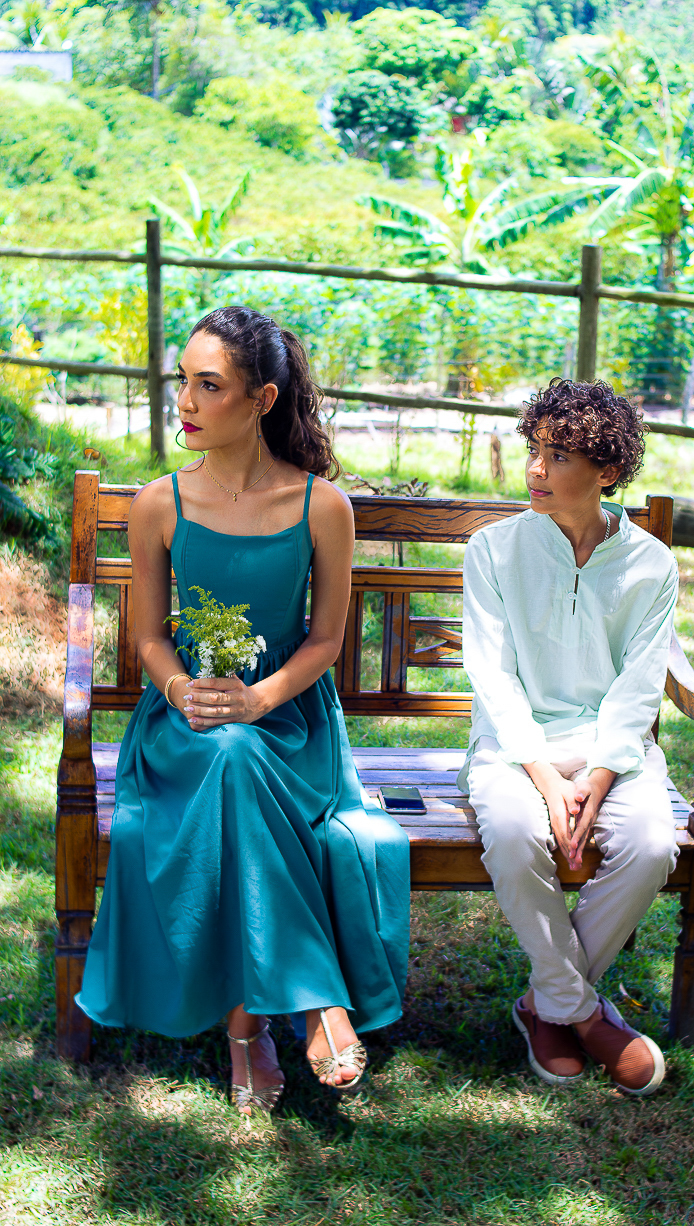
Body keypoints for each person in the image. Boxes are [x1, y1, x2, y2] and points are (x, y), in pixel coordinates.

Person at [76, 306, 410, 1114]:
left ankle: (246, 1028)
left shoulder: (321, 507)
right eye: (182, 382)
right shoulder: (160, 503)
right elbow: (150, 638)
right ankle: (311, 1001)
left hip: (291, 726)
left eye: (208, 385)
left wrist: (258, 698)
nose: (185, 402)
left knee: (241, 757)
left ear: (261, 399)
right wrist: (181, 691)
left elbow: (325, 641)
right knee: (226, 753)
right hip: (183, 726)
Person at [459, 379, 679, 1096]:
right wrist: (545, 776)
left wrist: (601, 775)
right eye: (534, 450)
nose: (535, 469)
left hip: (613, 754)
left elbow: (639, 685)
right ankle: (579, 1011)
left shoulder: (651, 564)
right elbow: (491, 675)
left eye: (557, 457)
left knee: (651, 845)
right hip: (513, 748)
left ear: (606, 471)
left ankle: (545, 1003)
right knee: (514, 834)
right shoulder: (492, 551)